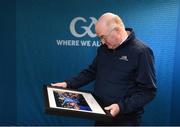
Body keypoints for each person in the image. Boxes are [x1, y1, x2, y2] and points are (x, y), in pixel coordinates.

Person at [52, 12, 157, 126]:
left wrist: (121, 107)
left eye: (103, 37)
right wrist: (68, 84)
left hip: (125, 120)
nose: (101, 42)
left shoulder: (141, 52)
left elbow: (148, 91)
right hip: (101, 114)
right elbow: (91, 72)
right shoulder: (103, 49)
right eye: (99, 38)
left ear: (117, 30)